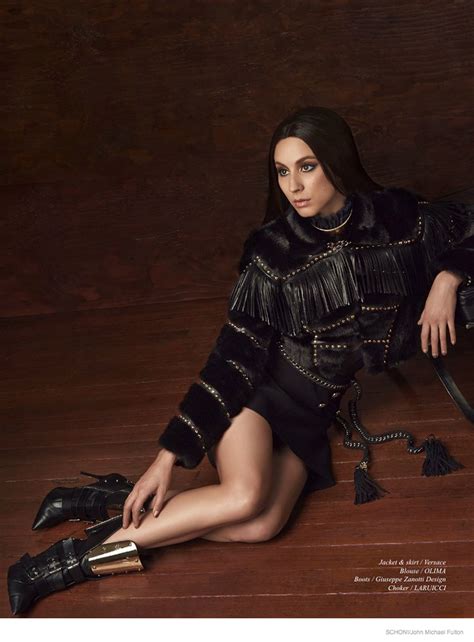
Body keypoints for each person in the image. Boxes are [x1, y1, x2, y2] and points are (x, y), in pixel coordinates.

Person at [8, 106, 474, 615]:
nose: (294, 186)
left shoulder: (399, 218)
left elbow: (467, 226)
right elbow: (231, 359)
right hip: (257, 396)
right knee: (243, 499)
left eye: (307, 166)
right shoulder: (272, 252)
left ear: (337, 162)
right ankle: (57, 565)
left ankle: (107, 503)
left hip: (313, 414)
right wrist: (166, 460)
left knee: (262, 526)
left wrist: (448, 278)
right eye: (282, 171)